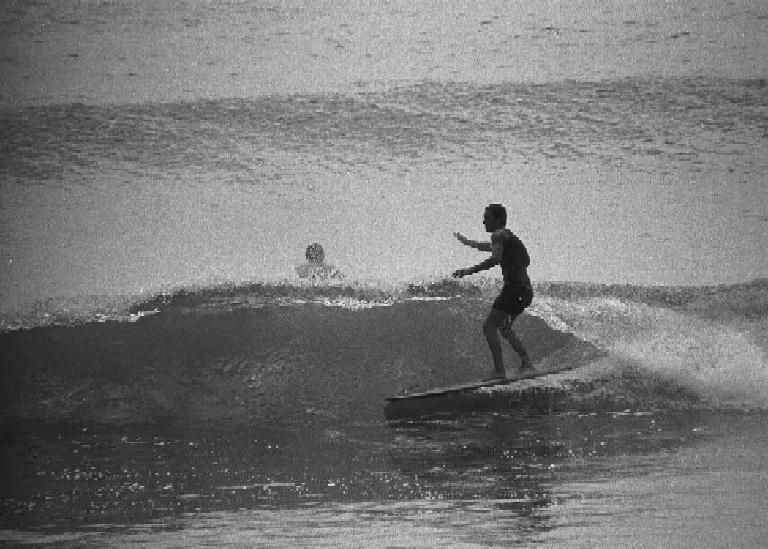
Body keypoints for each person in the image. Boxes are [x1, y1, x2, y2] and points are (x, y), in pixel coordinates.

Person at [452, 204, 533, 379]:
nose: (483, 221)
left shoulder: (498, 235)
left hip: (514, 289)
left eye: (487, 217)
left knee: (489, 327)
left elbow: (495, 258)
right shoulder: (507, 236)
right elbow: (494, 249)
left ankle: (499, 371)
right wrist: (468, 242)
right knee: (504, 328)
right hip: (525, 291)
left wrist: (468, 271)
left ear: (497, 219)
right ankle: (527, 363)